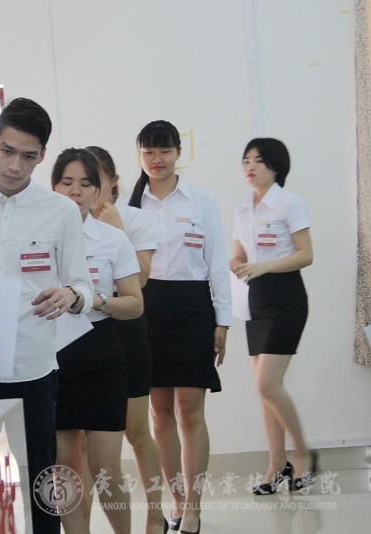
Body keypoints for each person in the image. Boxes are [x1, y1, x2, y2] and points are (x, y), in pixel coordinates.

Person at [0, 97, 94, 533]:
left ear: (42, 155)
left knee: (38, 482)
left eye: (28, 156)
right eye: (7, 151)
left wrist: (70, 295)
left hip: (33, 367)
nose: (14, 165)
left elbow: (83, 285)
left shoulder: (61, 211)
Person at [129, 120, 231, 534]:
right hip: (147, 307)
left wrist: (223, 320)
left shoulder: (202, 200)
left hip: (192, 308)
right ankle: (175, 500)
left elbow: (217, 263)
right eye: (149, 152)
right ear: (140, 154)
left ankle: (194, 505)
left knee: (189, 408)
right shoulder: (130, 205)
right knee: (158, 412)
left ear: (178, 153)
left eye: (164, 151)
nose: (157, 159)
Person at [51, 148, 144, 534]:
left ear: (98, 190)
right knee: (64, 470)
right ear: (53, 186)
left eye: (85, 183)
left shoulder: (113, 239)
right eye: (67, 182)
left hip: (100, 356)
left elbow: (135, 304)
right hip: (52, 357)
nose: (75, 190)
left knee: (106, 468)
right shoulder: (35, 238)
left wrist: (95, 301)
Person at [86, 145, 167, 534]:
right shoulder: (66, 222)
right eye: (78, 182)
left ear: (113, 181)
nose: (87, 190)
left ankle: (156, 513)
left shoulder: (136, 219)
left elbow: (142, 279)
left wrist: (115, 229)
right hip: (83, 332)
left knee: (136, 431)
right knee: (84, 441)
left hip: (126, 327)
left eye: (95, 181)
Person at [230, 138, 317, 494]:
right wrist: (236, 263)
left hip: (286, 299)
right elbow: (238, 254)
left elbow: (306, 254)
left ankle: (304, 454)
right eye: (246, 161)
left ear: (276, 167)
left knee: (266, 384)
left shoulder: (290, 203)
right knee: (265, 391)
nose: (250, 167)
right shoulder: (243, 209)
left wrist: (265, 266)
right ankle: (276, 464)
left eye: (259, 161)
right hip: (256, 300)